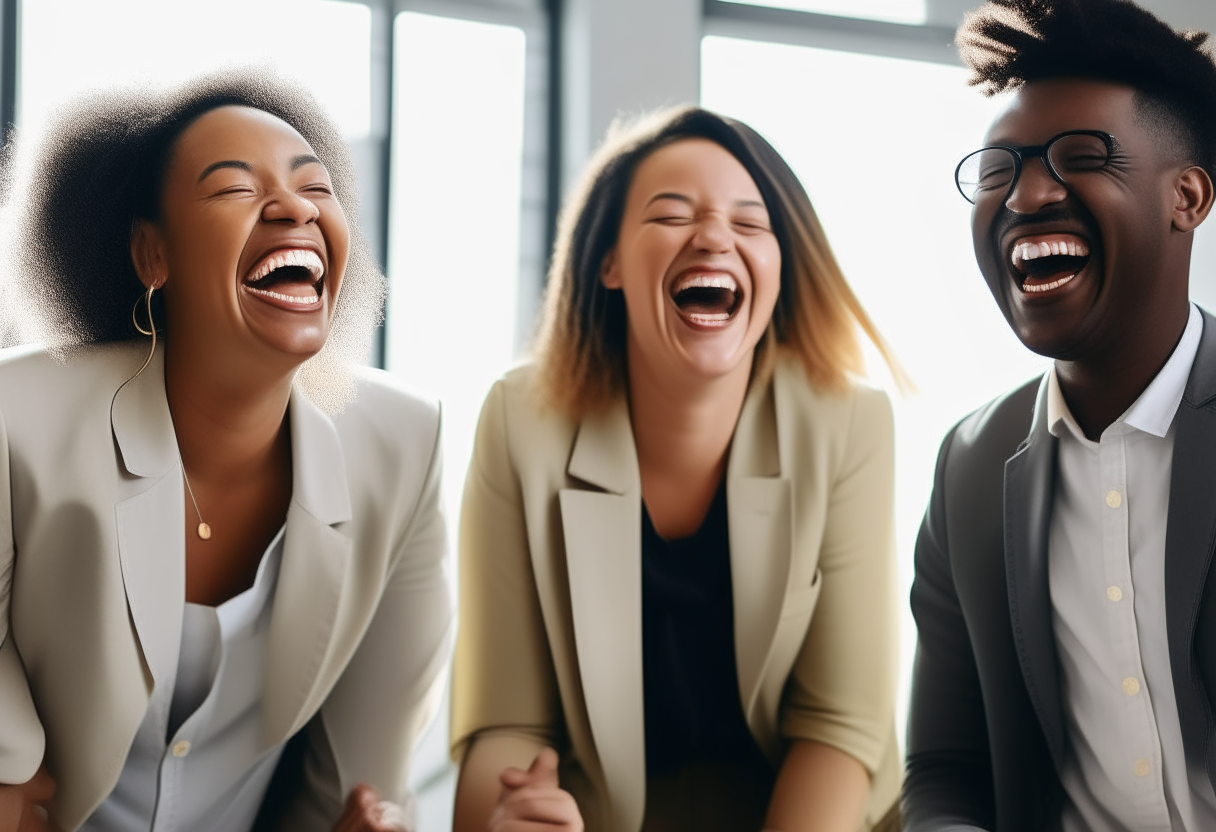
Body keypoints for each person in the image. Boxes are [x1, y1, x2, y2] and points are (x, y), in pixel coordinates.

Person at [0, 70, 452, 832]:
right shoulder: (19, 417)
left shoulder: (403, 442)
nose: (295, 207)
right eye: (235, 190)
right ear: (152, 255)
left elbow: (362, 776)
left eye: (317, 188)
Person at [450, 106, 903, 832]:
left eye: (751, 224)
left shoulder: (848, 421)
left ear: (779, 270)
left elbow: (840, 728)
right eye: (671, 214)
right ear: (609, 263)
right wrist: (506, 816)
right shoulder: (520, 421)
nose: (715, 236)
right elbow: (504, 719)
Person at [904, 1, 1216, 830]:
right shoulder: (968, 466)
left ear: (1185, 196)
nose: (1028, 195)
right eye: (999, 170)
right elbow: (945, 769)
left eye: (1082, 157)